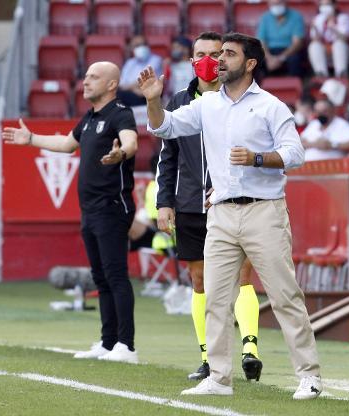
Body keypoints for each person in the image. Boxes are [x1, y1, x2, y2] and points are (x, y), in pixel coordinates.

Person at [139, 32, 322, 399]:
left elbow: (296, 154)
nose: (219, 60)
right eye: (219, 54)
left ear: (250, 63)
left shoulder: (271, 106)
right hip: (220, 212)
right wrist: (154, 100)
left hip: (263, 210)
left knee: (285, 295)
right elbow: (164, 128)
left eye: (228, 54)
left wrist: (256, 157)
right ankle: (219, 377)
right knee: (216, 299)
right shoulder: (207, 104)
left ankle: (310, 376)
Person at [2, 62, 139, 364]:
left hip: (112, 206)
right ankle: (108, 342)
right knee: (100, 277)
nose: (85, 81)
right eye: (86, 75)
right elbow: (66, 143)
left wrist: (121, 153)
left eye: (94, 77)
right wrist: (32, 140)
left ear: (112, 84)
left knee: (116, 275)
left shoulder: (120, 113)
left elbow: (131, 140)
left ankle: (126, 346)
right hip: (89, 209)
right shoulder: (90, 117)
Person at [155, 31, 262, 382]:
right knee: (199, 281)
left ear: (225, 58)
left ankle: (250, 349)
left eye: (215, 53)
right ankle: (208, 357)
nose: (208, 59)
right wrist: (164, 202)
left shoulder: (241, 99)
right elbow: (166, 156)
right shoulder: (179, 102)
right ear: (190, 60)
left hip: (234, 201)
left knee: (241, 276)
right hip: (189, 204)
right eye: (199, 53)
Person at [257, 0, 306, 77]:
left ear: (285, 2)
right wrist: (269, 58)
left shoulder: (296, 16)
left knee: (295, 59)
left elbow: (297, 43)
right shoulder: (265, 18)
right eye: (273, 4)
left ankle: (293, 86)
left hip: (289, 51)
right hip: (269, 51)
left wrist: (281, 58)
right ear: (269, 4)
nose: (276, 6)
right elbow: (261, 42)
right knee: (254, 59)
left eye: (279, 3)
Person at [308, 0, 349, 77]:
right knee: (314, 45)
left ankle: (341, 74)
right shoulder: (318, 18)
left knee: (338, 44)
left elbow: (345, 39)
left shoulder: (343, 17)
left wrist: (333, 28)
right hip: (325, 51)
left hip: (344, 50)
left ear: (334, 5)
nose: (324, 7)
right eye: (322, 5)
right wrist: (314, 28)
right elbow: (315, 39)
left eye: (327, 4)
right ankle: (321, 74)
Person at [118, 35, 163, 107]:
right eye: (137, 45)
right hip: (132, 94)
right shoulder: (130, 62)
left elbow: (148, 81)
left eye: (143, 44)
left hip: (147, 96)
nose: (141, 47)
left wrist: (131, 88)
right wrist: (135, 89)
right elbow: (121, 84)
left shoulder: (156, 60)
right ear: (132, 48)